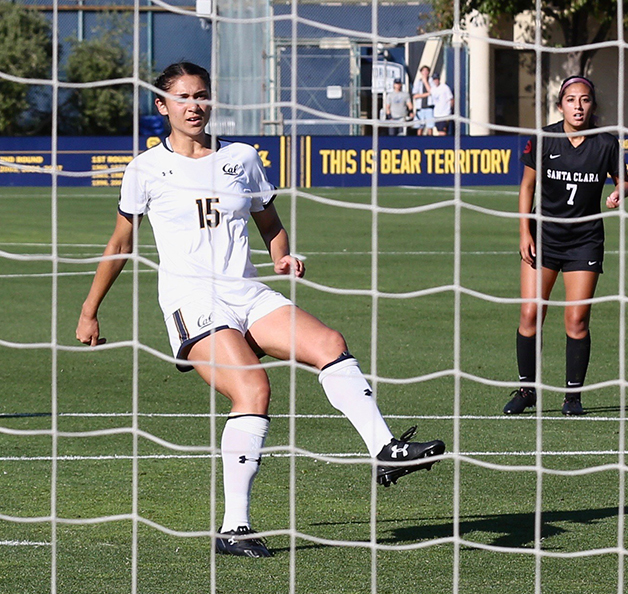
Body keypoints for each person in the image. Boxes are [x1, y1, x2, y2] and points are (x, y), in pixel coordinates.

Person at [74, 61, 445, 558]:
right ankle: (234, 527)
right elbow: (121, 243)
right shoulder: (145, 170)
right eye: (183, 98)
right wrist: (89, 309)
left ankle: (384, 451)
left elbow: (270, 224)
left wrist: (282, 256)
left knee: (329, 344)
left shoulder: (242, 158)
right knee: (254, 387)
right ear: (162, 106)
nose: (195, 106)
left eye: (202, 95)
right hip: (192, 301)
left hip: (246, 293)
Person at [504, 76, 628, 417]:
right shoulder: (544, 139)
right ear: (560, 105)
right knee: (530, 313)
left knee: (576, 320)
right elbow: (526, 188)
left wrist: (621, 192)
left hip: (584, 240)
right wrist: (523, 233)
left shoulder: (606, 143)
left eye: (585, 100)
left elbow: (625, 181)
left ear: (592, 105)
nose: (578, 106)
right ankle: (526, 390)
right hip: (543, 236)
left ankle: (572, 397)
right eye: (571, 100)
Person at [411, 65, 433, 136]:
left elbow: (432, 91)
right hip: (420, 108)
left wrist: (425, 82)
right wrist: (426, 94)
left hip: (429, 107)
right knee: (419, 127)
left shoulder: (431, 81)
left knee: (430, 126)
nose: (425, 73)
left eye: (426, 71)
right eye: (423, 71)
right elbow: (415, 95)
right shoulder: (418, 82)